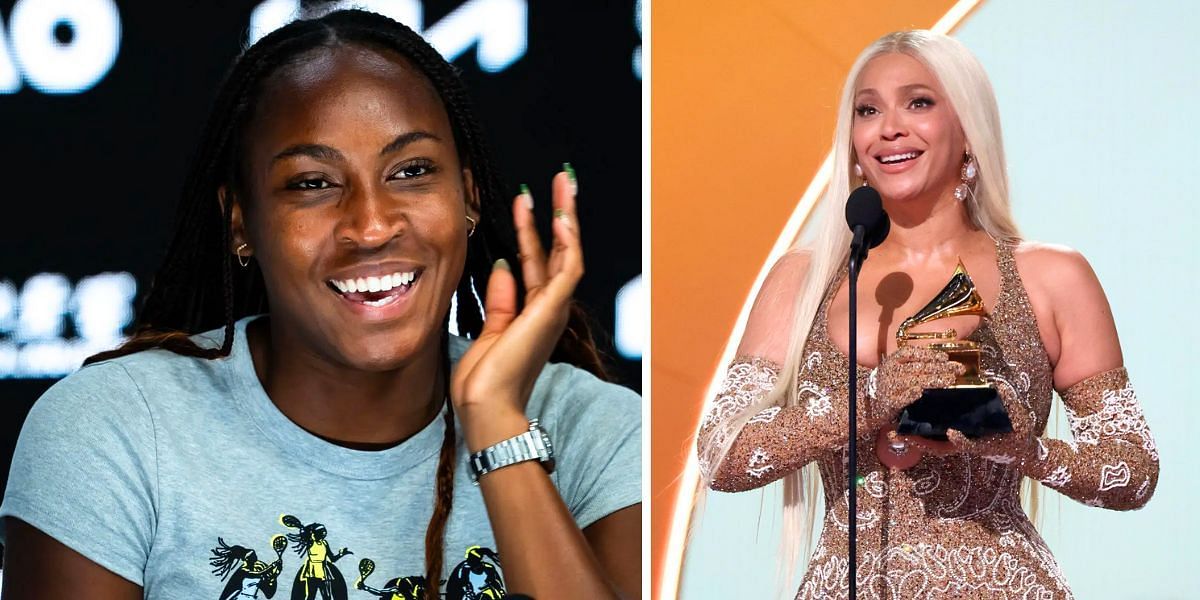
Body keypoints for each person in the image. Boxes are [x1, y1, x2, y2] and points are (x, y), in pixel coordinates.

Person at [0, 9, 640, 600]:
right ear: (241, 222)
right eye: (312, 183)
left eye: (411, 171)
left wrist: (499, 426)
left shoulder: (596, 435)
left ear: (468, 197)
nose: (370, 224)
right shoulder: (117, 432)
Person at [695, 30, 1157, 598]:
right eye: (868, 110)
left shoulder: (1051, 276)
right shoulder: (802, 280)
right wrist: (870, 400)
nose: (889, 126)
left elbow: (1133, 472)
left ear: (968, 130)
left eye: (919, 102)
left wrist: (1022, 448)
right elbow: (722, 455)